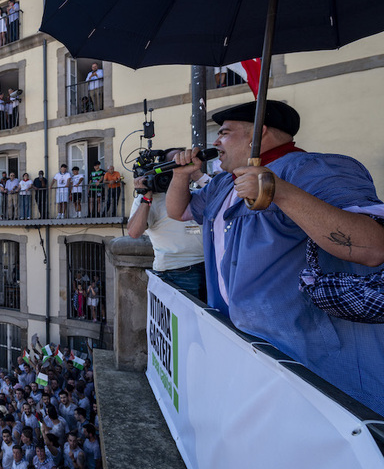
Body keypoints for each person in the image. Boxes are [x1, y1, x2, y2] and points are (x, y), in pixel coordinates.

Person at [166, 100, 384, 415]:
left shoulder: (311, 169)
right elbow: (181, 211)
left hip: (308, 364)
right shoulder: (224, 182)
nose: (215, 142)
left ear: (259, 132)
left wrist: (277, 190)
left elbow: (372, 246)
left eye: (225, 133)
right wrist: (181, 176)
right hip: (244, 347)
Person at [127, 148, 207, 301]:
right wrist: (146, 197)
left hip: (209, 266)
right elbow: (134, 232)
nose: (182, 166)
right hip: (176, 272)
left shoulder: (197, 190)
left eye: (185, 161)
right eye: (176, 164)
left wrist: (196, 175)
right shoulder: (151, 197)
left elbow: (224, 195)